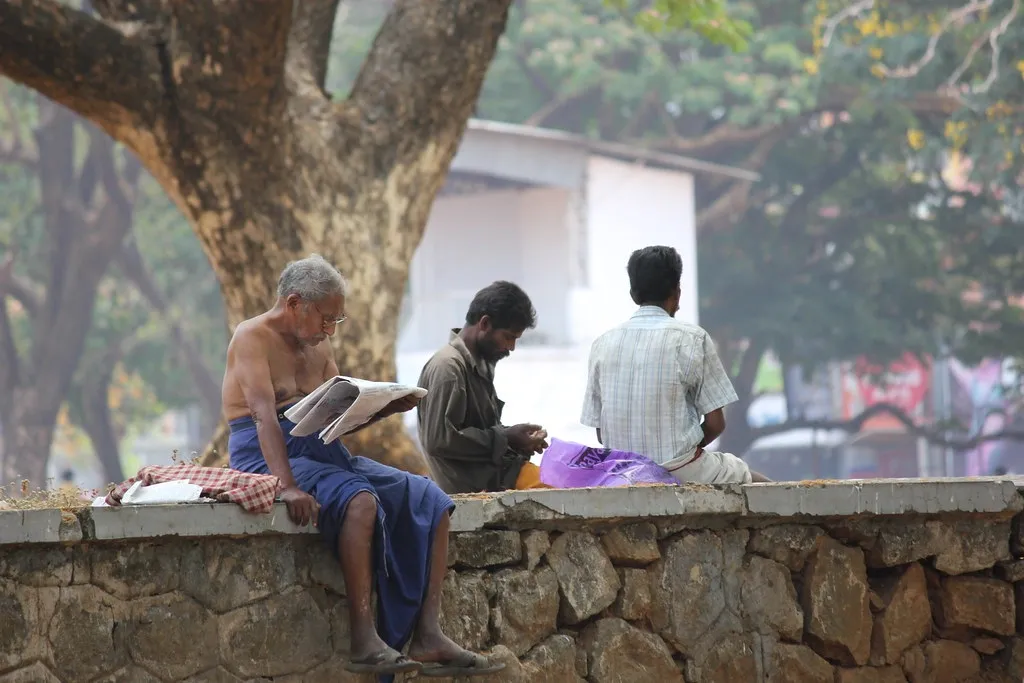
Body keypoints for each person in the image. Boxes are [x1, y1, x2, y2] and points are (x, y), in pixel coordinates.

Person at [222, 254, 503, 679]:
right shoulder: (251, 337)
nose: (329, 330)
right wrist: (286, 486)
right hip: (265, 455)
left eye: (337, 320)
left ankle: (428, 634)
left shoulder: (319, 343)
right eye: (326, 319)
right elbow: (264, 417)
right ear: (296, 303)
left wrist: (386, 408)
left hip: (322, 450)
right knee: (360, 501)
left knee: (432, 498)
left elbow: (337, 420)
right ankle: (363, 637)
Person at [581, 245, 770, 484]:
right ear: (677, 293)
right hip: (681, 469)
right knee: (752, 478)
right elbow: (716, 423)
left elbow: (601, 433)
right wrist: (685, 452)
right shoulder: (692, 338)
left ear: (633, 293)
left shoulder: (602, 344)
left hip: (621, 474)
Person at [416, 281, 550, 494]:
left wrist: (516, 439)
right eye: (508, 337)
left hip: (501, 476)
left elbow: (478, 433)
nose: (511, 347)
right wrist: (506, 437)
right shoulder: (448, 368)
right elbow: (440, 440)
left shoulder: (480, 364)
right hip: (476, 489)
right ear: (485, 323)